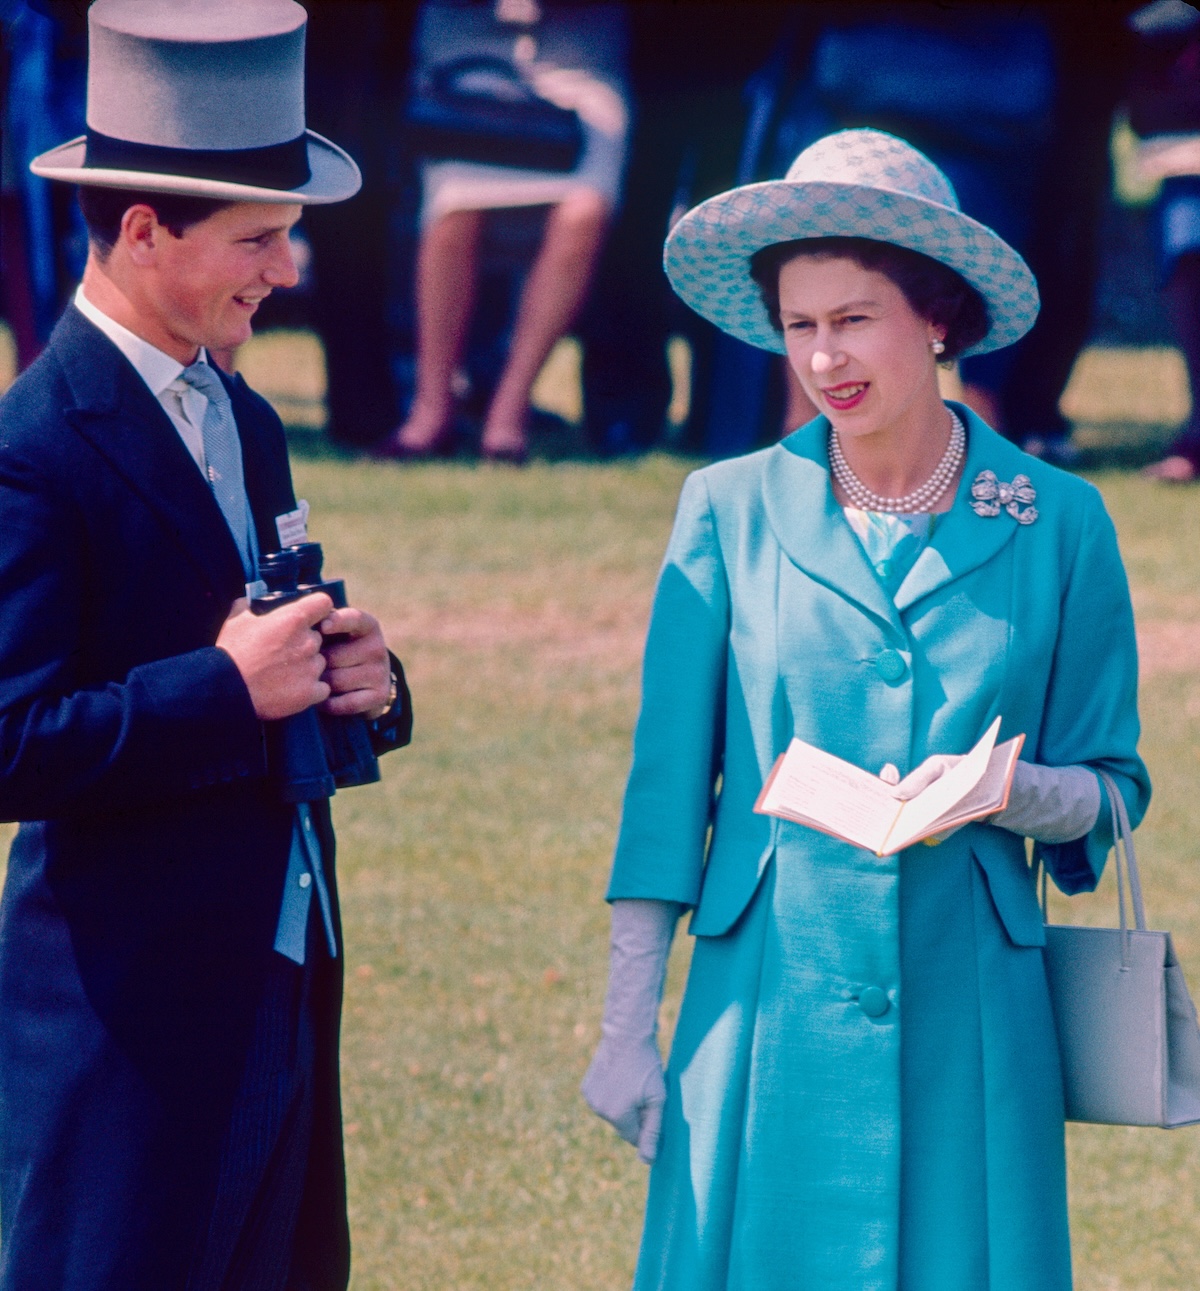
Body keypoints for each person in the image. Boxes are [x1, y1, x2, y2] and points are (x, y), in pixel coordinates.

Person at [583, 129, 1149, 1289]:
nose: (825, 357)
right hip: (765, 1003)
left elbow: (1113, 782)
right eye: (800, 326)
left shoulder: (1062, 521)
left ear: (936, 318)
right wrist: (623, 1028)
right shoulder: (722, 510)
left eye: (856, 319)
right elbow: (664, 795)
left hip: (974, 1012)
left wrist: (1016, 790)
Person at [0, 2, 412, 1288]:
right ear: (141, 231)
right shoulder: (33, 447)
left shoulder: (243, 413)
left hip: (279, 968)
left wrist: (364, 685)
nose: (283, 269)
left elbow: (263, 652)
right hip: (124, 1015)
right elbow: (12, 742)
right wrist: (223, 689)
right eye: (258, 238)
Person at [376, 0, 629, 464]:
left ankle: (508, 412)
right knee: (453, 210)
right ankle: (431, 410)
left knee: (584, 211)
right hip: (468, 56)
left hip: (576, 62)